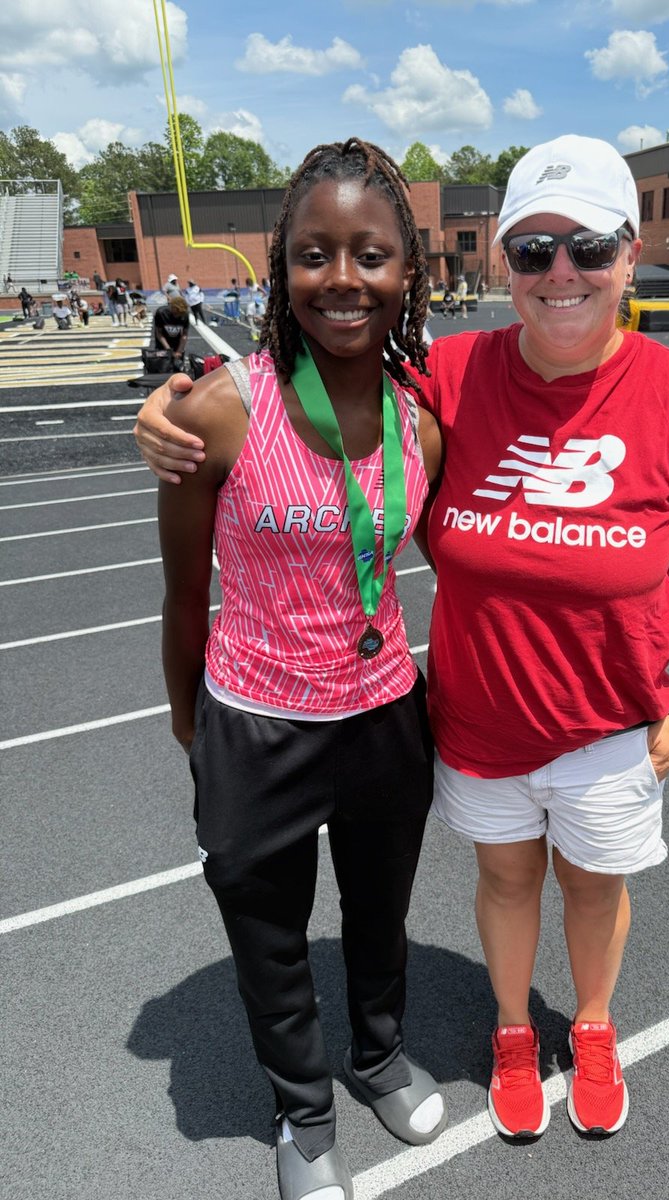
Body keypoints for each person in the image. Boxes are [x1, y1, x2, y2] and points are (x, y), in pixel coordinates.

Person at [135, 134, 669, 1150]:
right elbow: (301, 386)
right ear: (504, 262)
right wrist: (167, 409)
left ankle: (582, 1029)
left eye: (590, 247)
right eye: (534, 250)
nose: (561, 271)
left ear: (630, 254)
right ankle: (460, 1054)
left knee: (573, 890)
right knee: (483, 886)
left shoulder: (668, 393)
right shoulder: (450, 374)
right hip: (456, 720)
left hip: (584, 724)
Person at [149, 138, 448, 1200]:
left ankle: (378, 1056)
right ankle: (303, 1115)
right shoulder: (220, 409)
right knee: (270, 941)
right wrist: (192, 723)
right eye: (315, 254)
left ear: (408, 271)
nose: (342, 279)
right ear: (282, 265)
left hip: (384, 719)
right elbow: (183, 592)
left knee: (380, 915)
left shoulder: (422, 419)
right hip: (255, 721)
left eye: (371, 254)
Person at [151, 294, 190, 363]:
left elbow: (184, 334)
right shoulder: (161, 313)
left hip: (177, 345)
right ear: (172, 308)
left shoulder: (184, 314)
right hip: (162, 345)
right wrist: (169, 350)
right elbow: (159, 333)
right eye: (176, 313)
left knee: (178, 366)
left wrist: (179, 350)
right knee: (163, 366)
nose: (178, 316)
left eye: (180, 314)